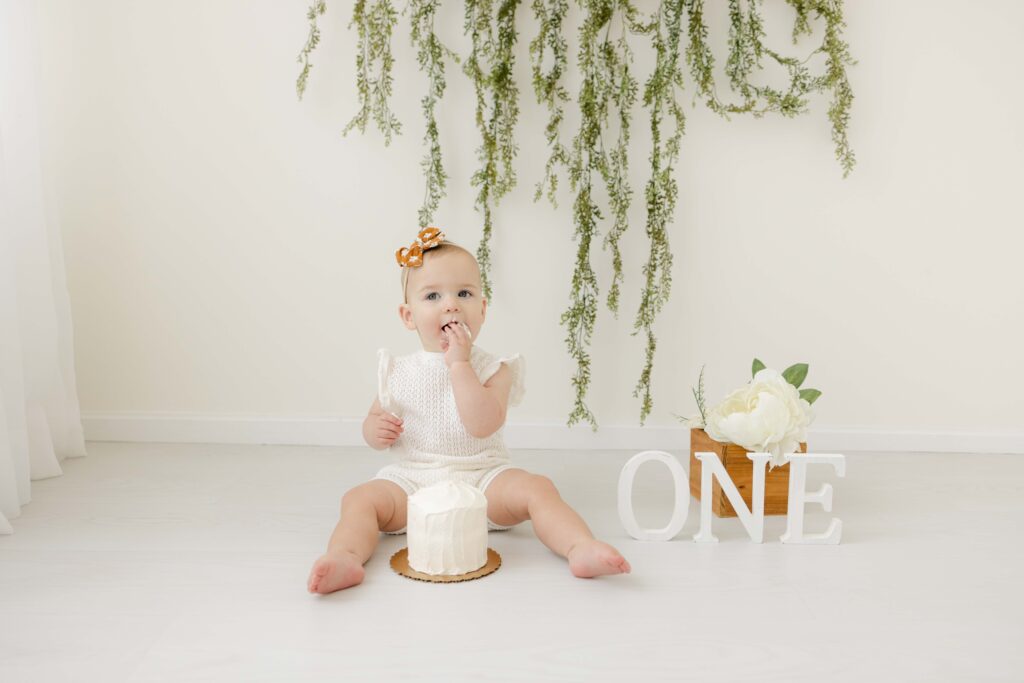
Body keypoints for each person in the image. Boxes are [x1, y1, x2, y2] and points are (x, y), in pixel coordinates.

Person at [307, 228, 631, 594]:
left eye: (464, 293)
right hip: (412, 481)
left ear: (482, 308)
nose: (451, 304)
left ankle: (579, 546)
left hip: (484, 477)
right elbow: (372, 421)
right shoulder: (397, 370)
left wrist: (460, 365)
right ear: (408, 315)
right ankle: (346, 556)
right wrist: (374, 430)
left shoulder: (496, 368)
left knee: (538, 488)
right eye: (432, 295)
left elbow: (482, 424)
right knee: (358, 500)